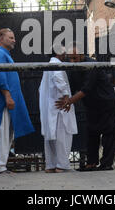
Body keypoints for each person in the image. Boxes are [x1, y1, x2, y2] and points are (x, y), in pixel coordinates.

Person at [56, 43, 115, 171]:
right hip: (91, 105)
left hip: (105, 103)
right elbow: (73, 87)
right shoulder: (74, 69)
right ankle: (91, 163)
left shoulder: (91, 64)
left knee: (108, 134)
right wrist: (66, 98)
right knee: (91, 133)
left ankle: (106, 164)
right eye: (70, 58)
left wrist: (70, 101)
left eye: (75, 58)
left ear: (81, 55)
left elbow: (86, 89)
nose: (73, 61)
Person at [0, 28, 35, 174]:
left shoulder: (4, 54)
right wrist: (7, 96)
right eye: (11, 37)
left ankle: (0, 165)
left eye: (14, 37)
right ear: (1, 38)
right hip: (3, 102)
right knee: (1, 131)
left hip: (7, 100)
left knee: (7, 133)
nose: (14, 40)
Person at [38, 44, 78, 173]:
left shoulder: (50, 64)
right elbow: (58, 79)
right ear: (59, 53)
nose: (66, 55)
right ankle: (61, 165)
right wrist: (66, 96)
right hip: (60, 107)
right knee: (63, 137)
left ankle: (51, 165)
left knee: (51, 138)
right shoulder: (56, 64)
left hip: (51, 107)